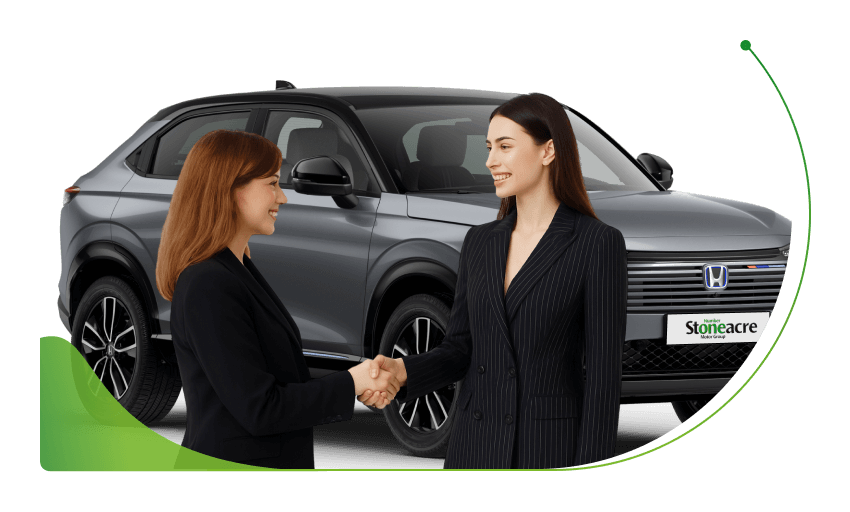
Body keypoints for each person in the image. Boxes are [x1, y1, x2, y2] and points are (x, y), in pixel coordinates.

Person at [359, 93, 628, 468]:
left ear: (548, 151)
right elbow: (460, 349)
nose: (489, 161)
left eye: (504, 146)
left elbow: (603, 378)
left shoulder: (597, 243)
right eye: (489, 147)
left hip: (547, 447)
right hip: (476, 444)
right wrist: (404, 371)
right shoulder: (480, 241)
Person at [156, 130, 399, 469]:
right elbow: (261, 409)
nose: (282, 197)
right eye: (271, 183)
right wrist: (352, 381)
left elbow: (282, 383)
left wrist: (354, 386)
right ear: (230, 189)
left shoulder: (238, 270)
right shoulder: (208, 284)